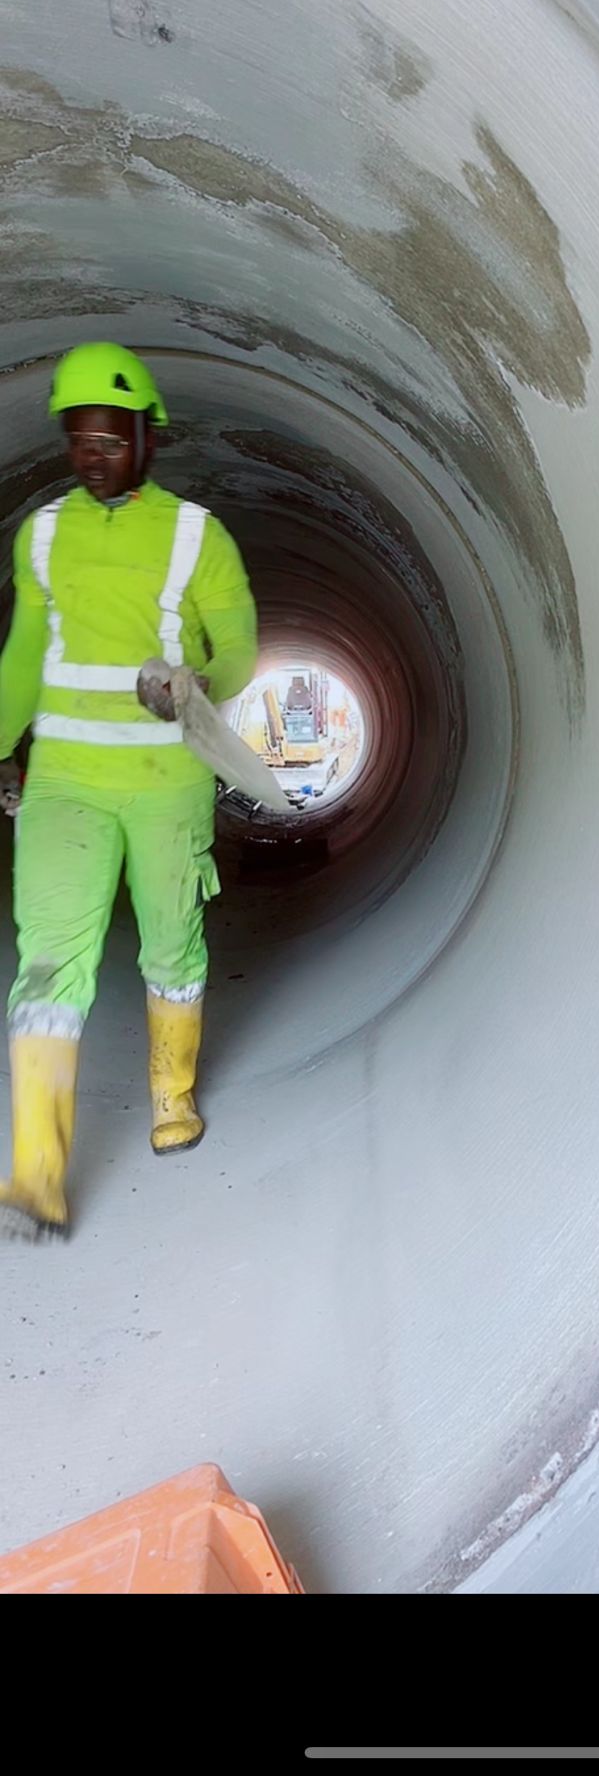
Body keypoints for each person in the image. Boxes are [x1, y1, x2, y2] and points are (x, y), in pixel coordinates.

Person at [0, 344, 258, 1239]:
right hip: (67, 783)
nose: (93, 456)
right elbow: (24, 658)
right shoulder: (41, 536)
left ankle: (170, 1098)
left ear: (149, 436)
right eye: (79, 441)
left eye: (110, 439)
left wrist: (190, 684)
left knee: (170, 948)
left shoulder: (197, 535)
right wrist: (0, 748)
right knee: (48, 961)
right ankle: (35, 1172)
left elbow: (238, 651)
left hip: (164, 785)